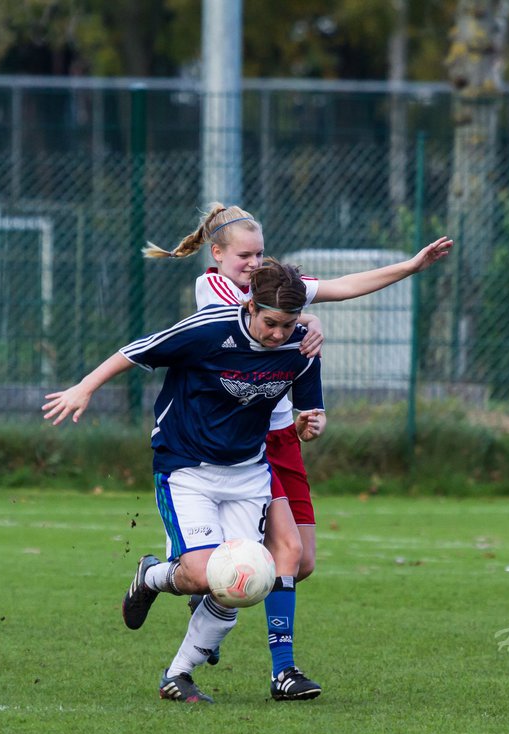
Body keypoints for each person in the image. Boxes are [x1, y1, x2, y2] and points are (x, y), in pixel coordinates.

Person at [142, 203, 452, 696]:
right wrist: (307, 320)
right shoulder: (217, 288)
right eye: (244, 254)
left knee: (300, 562)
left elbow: (345, 286)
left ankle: (213, 606)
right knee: (273, 553)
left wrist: (411, 267)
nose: (253, 263)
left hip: (280, 435)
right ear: (217, 254)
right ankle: (280, 668)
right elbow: (257, 315)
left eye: (260, 253)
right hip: (240, 440)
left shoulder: (274, 287)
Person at [43, 259, 326, 703]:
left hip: (248, 474)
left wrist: (311, 424)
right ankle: (152, 576)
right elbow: (136, 350)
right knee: (199, 576)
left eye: (288, 324)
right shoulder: (209, 331)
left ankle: (178, 675)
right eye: (270, 323)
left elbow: (309, 412)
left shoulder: (301, 346)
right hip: (186, 468)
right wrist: (84, 387)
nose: (278, 334)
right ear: (250, 306)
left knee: (240, 582)